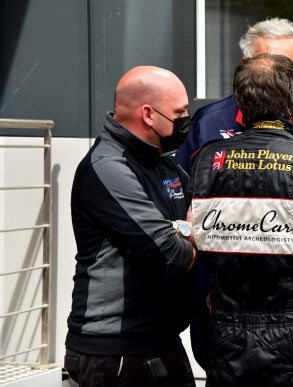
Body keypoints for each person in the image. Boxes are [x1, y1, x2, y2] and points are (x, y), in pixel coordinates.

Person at [176, 17, 293, 371]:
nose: (278, 78)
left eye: (289, 69)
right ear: (243, 69)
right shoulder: (207, 124)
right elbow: (183, 212)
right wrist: (203, 289)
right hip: (220, 308)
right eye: (267, 65)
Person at [64, 66, 198, 386]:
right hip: (115, 355)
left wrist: (182, 229)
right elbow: (170, 257)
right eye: (179, 112)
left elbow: (203, 216)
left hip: (163, 342)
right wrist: (188, 231)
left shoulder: (165, 161)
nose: (186, 119)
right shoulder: (108, 167)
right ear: (149, 115)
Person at [175, 17, 293, 192]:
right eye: (263, 63)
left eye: (284, 67)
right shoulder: (209, 120)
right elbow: (182, 189)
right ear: (244, 66)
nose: (272, 74)